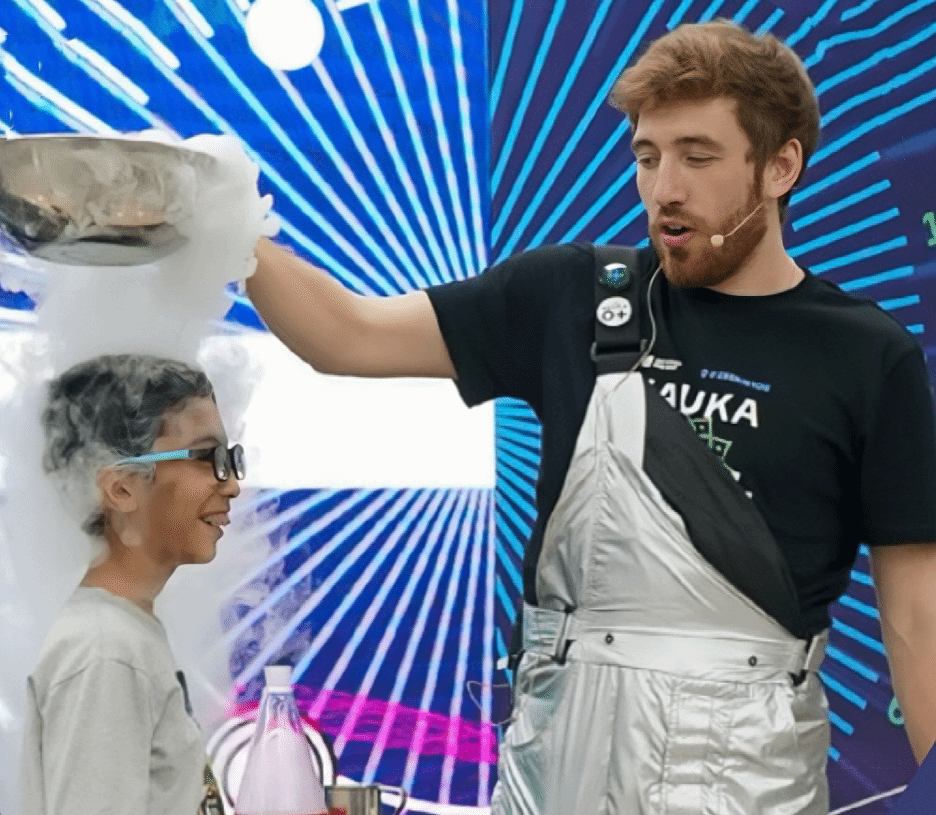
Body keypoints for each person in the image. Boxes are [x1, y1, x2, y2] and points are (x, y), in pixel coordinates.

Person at [244, 19, 936, 815]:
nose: (664, 188)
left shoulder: (867, 354)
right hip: (558, 771)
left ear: (780, 166)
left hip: (755, 776)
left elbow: (917, 616)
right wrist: (222, 219)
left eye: (697, 157)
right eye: (647, 156)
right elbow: (346, 335)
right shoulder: (572, 297)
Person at [21, 354, 245, 815]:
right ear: (121, 488)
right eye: (208, 458)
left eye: (229, 459)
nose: (232, 486)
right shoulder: (106, 651)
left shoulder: (122, 634)